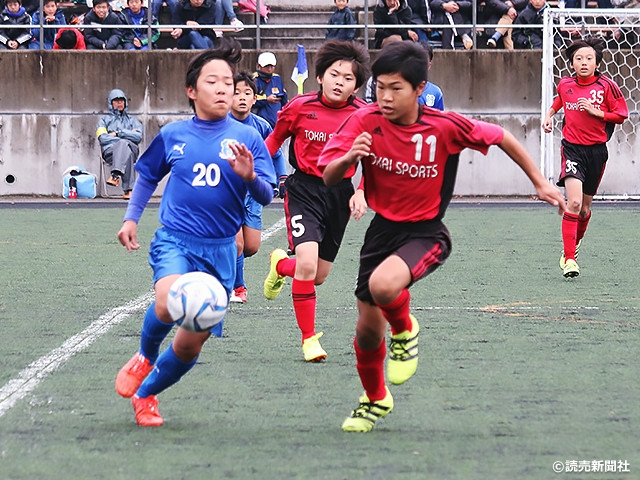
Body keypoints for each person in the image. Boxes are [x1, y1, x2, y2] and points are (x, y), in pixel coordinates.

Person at [318, 40, 567, 432]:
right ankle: (375, 398)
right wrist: (349, 159)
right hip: (381, 232)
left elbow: (502, 136)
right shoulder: (364, 121)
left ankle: (405, 329)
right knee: (366, 331)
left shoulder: (444, 126)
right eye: (379, 87)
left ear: (420, 90)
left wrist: (540, 183)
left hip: (427, 232)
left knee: (385, 287)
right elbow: (328, 174)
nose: (384, 96)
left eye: (395, 88)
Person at [114, 40, 276, 427]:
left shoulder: (248, 139)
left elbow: (267, 194)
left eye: (228, 83)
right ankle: (144, 354)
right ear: (192, 91)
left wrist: (250, 175)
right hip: (176, 240)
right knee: (169, 298)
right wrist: (131, 217)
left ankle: (147, 394)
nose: (223, 89)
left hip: (221, 251)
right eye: (213, 82)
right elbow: (148, 174)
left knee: (189, 344)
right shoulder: (174, 135)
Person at [262, 39, 370, 363]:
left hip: (340, 194)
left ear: (356, 85)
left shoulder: (364, 115)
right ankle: (309, 339)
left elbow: (374, 161)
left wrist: (362, 191)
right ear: (320, 76)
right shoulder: (298, 107)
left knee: (317, 275)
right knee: (308, 264)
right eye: (335, 74)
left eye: (348, 78)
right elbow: (274, 140)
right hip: (304, 189)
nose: (340, 81)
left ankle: (280, 265)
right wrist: (252, 173)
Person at [542, 36, 628, 278]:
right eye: (578, 58)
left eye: (589, 58)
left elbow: (622, 114)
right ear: (571, 64)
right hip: (572, 149)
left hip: (597, 152)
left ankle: (574, 244)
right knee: (575, 203)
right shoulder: (565, 84)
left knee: (585, 209)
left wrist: (596, 112)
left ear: (597, 63)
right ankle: (569, 259)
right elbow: (561, 99)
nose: (583, 62)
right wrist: (549, 115)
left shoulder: (607, 87)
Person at [228, 72, 282, 303]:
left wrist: (282, 178)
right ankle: (238, 288)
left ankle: (222, 260)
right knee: (236, 243)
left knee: (250, 247)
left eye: (247, 93)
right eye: (236, 93)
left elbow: (277, 154)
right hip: (226, 194)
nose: (241, 97)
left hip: (253, 195)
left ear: (254, 99)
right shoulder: (218, 124)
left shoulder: (261, 126)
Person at [97, 89, 143, 200]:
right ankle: (129, 190)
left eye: (121, 101)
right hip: (110, 153)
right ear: (110, 103)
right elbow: (102, 138)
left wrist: (118, 133)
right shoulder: (103, 121)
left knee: (124, 145)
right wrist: (127, 136)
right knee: (125, 149)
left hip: (132, 149)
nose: (119, 103)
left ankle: (115, 175)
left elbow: (138, 137)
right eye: (116, 101)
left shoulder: (133, 120)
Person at [252, 51, 288, 129]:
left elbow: (284, 98)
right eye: (267, 66)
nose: (269, 69)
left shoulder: (277, 78)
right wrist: (266, 99)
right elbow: (250, 99)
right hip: (260, 124)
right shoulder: (254, 79)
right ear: (259, 66)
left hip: (276, 124)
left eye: (272, 66)